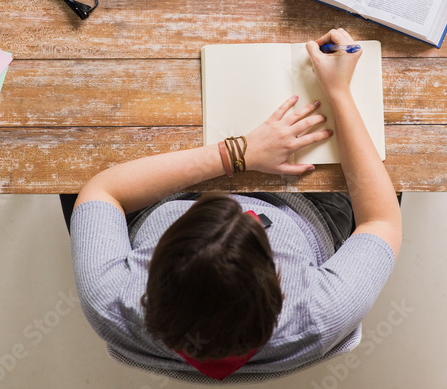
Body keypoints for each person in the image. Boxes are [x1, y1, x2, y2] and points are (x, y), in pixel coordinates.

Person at [65, 28, 402, 383]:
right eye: (258, 226)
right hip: (309, 212)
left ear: (153, 271)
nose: (235, 201)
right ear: (276, 281)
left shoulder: (110, 299)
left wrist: (237, 153)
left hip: (163, 199)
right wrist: (338, 91)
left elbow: (101, 190)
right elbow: (381, 221)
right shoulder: (321, 311)